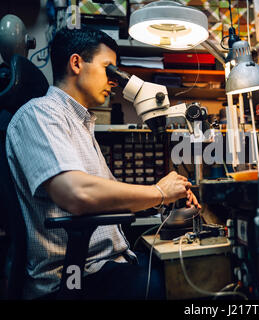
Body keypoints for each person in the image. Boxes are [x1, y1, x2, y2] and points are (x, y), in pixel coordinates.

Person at [5, 27, 200, 300]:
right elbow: (77, 194)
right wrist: (158, 192)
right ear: (76, 63)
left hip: (107, 266)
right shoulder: (39, 115)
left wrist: (167, 198)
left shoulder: (79, 124)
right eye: (109, 69)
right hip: (74, 278)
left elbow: (109, 195)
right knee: (184, 283)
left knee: (183, 266)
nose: (114, 81)